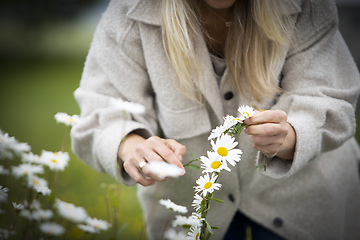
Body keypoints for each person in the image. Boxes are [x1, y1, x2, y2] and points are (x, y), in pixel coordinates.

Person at [71, 0, 360, 239]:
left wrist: (291, 136)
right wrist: (131, 146)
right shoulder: (129, 12)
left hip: (306, 207)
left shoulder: (307, 6)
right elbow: (103, 112)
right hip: (192, 213)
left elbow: (329, 100)